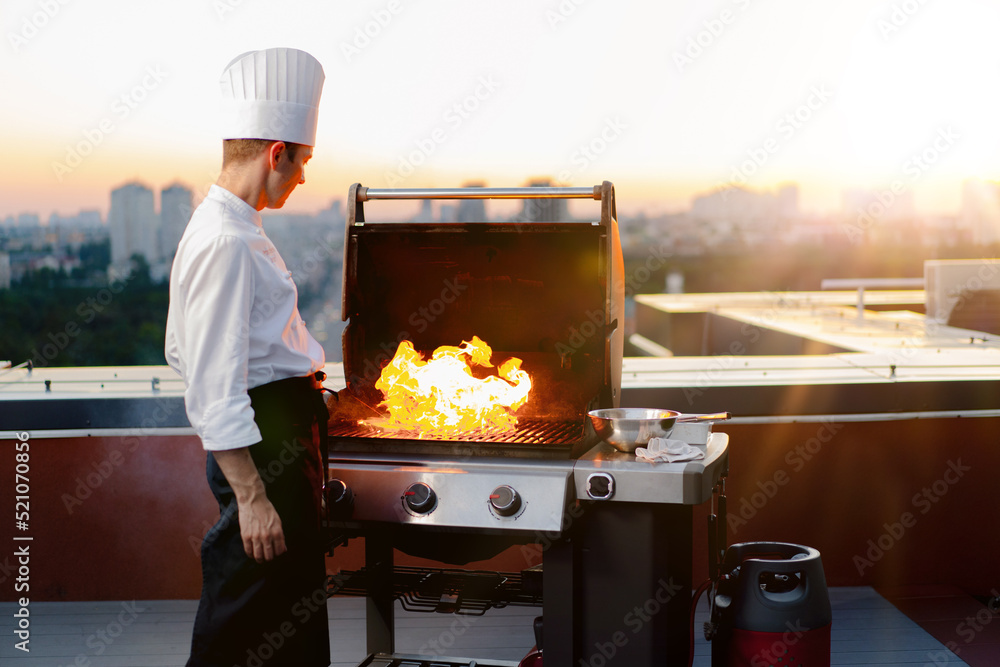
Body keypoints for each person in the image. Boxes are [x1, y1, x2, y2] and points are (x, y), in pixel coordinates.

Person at [165, 47, 330, 667]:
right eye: (304, 161)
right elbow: (211, 386)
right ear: (276, 154)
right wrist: (253, 497)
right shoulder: (226, 240)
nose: (305, 177)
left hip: (279, 436)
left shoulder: (233, 226)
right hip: (264, 455)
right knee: (245, 616)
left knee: (287, 617)